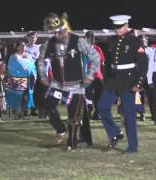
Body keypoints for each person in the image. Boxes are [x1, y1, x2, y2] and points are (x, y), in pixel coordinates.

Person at [38, 13, 100, 151]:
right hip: (57, 84)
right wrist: (42, 76)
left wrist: (90, 75)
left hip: (76, 85)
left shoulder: (78, 41)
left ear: (65, 29)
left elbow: (95, 56)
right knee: (47, 105)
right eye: (53, 33)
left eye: (59, 32)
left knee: (74, 116)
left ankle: (71, 144)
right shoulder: (49, 43)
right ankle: (61, 129)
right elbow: (40, 61)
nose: (56, 35)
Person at [98, 15, 148, 153]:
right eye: (115, 27)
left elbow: (143, 64)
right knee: (102, 107)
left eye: (119, 27)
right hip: (113, 80)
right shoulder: (112, 41)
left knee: (129, 115)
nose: (117, 30)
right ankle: (115, 133)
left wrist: (138, 83)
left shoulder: (135, 42)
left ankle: (132, 146)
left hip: (128, 80)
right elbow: (109, 63)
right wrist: (106, 79)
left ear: (126, 25)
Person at [6, 40, 37, 119]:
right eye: (22, 45)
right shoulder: (14, 56)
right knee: (18, 97)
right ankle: (17, 113)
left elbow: (32, 66)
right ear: (17, 47)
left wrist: (34, 75)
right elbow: (15, 67)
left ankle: (23, 113)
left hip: (28, 78)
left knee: (26, 96)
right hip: (17, 79)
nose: (24, 47)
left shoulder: (28, 56)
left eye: (24, 45)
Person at [83, 31, 106, 120]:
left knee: (100, 94)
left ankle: (97, 112)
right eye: (87, 37)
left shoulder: (97, 49)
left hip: (97, 76)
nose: (89, 39)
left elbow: (102, 63)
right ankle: (88, 112)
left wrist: (102, 75)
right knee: (87, 95)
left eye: (91, 37)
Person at [25, 31, 44, 117]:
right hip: (26, 73)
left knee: (35, 92)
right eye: (31, 37)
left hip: (37, 73)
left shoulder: (38, 47)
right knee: (26, 92)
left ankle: (34, 110)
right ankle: (24, 110)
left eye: (35, 37)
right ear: (28, 38)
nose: (33, 39)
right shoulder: (25, 48)